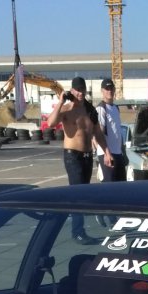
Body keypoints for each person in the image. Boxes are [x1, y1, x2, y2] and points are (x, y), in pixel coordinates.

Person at [47, 76, 108, 243]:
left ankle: (80, 228)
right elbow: (51, 122)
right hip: (72, 155)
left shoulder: (89, 110)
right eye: (77, 90)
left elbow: (98, 133)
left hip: (87, 156)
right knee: (77, 194)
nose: (80, 93)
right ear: (72, 90)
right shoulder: (66, 109)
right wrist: (60, 102)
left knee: (84, 193)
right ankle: (77, 232)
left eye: (83, 90)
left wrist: (107, 152)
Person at [94, 77, 127, 182]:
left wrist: (123, 151)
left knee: (122, 186)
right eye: (107, 89)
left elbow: (117, 132)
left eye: (111, 88)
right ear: (102, 91)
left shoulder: (116, 108)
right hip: (107, 154)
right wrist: (107, 153)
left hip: (118, 153)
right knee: (110, 187)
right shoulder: (101, 108)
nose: (110, 91)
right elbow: (99, 133)